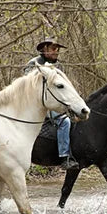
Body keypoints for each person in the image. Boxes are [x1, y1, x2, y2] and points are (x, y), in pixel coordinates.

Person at [26, 37, 77, 170]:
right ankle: (64, 157)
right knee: (64, 122)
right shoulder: (33, 64)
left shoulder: (59, 66)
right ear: (45, 49)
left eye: (58, 49)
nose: (56, 51)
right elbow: (29, 87)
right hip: (38, 104)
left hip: (56, 101)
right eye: (54, 48)